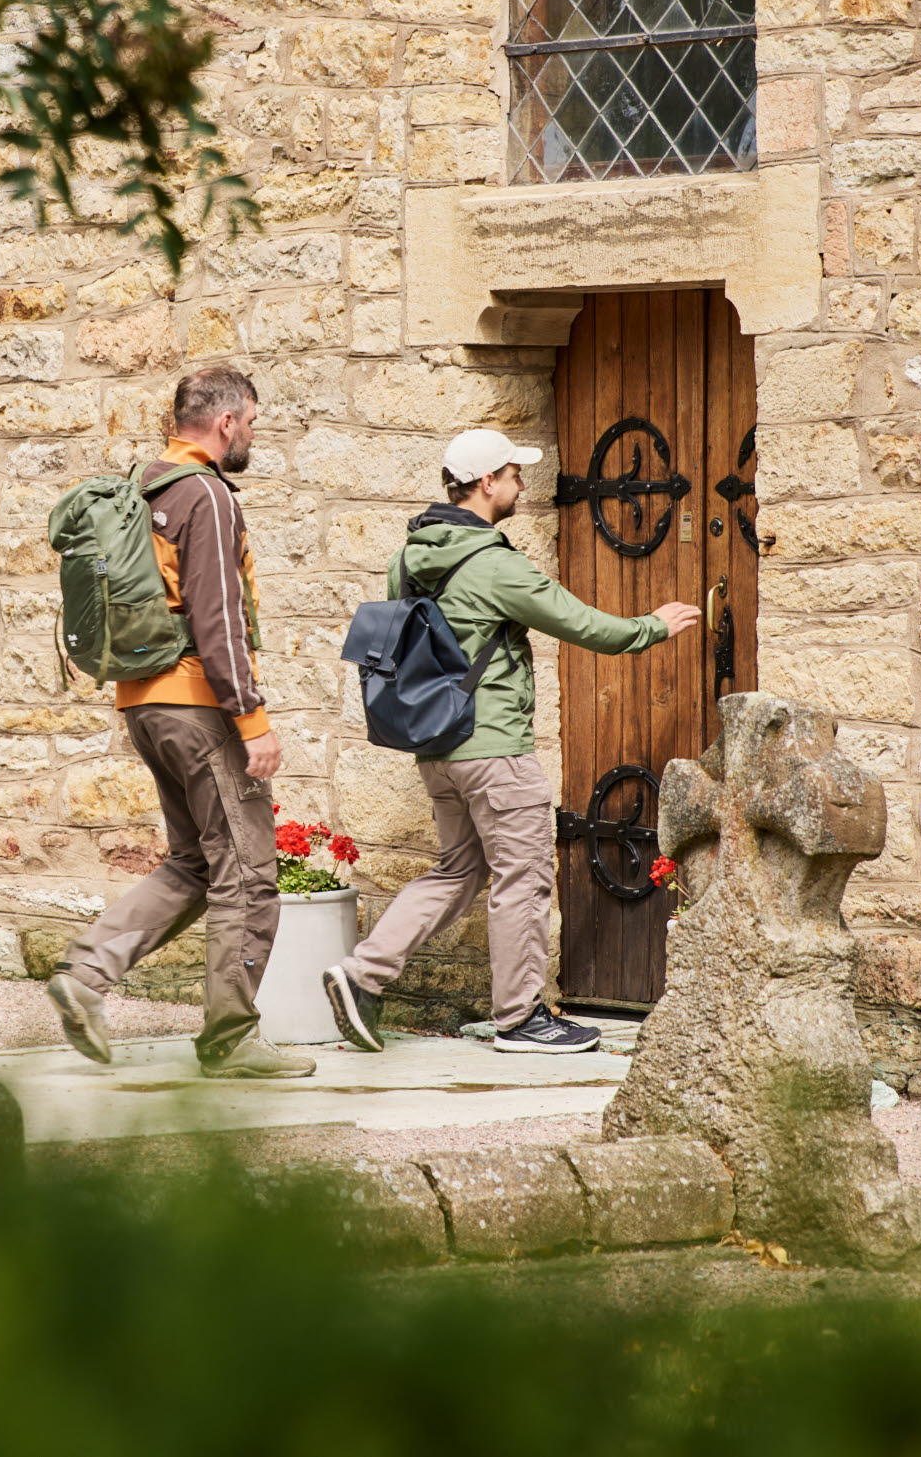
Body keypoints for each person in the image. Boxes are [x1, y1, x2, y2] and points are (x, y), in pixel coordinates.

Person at [325, 427, 700, 1056]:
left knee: (458, 869)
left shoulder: (408, 557)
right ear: (485, 482)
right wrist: (652, 626)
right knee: (521, 879)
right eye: (514, 473)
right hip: (494, 748)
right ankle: (522, 1019)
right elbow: (581, 623)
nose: (522, 483)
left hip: (437, 748)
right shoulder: (491, 562)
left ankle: (361, 974)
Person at [47, 364, 314, 1079]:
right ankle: (230, 1040)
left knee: (195, 862)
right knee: (250, 874)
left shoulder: (145, 486)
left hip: (143, 702)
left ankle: (83, 975)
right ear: (225, 422)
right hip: (199, 703)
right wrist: (252, 720)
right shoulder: (206, 494)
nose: (253, 434)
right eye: (252, 422)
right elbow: (218, 614)